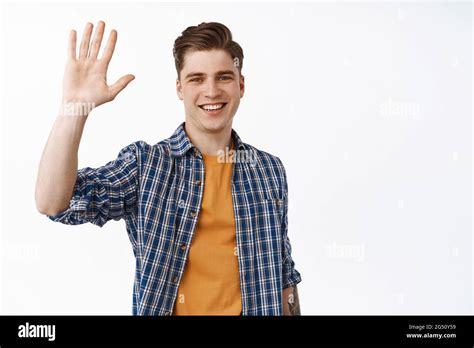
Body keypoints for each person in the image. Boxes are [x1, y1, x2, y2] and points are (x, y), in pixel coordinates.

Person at [35, 21, 302, 316]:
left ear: (241, 85)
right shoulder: (146, 165)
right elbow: (53, 202)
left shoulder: (267, 169)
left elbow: (283, 275)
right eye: (196, 79)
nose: (211, 91)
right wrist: (75, 109)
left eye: (223, 77)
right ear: (179, 88)